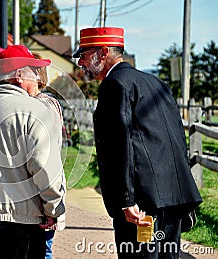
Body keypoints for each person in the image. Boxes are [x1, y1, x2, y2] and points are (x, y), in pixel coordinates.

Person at [73, 27, 202, 258]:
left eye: (84, 55)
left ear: (103, 52)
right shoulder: (156, 83)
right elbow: (177, 138)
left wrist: (126, 199)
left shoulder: (115, 84)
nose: (81, 63)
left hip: (141, 203)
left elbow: (120, 146)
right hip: (172, 196)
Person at [0, 45, 65, 258]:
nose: (37, 77)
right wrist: (54, 209)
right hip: (21, 221)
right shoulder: (34, 109)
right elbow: (44, 167)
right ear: (19, 75)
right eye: (33, 71)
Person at [32, 52, 66, 259]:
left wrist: (51, 205)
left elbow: (44, 152)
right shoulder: (48, 103)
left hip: (42, 190)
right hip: (41, 189)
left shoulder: (44, 105)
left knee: (43, 249)